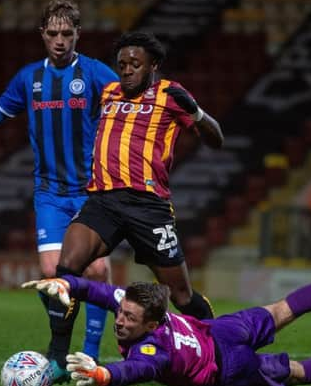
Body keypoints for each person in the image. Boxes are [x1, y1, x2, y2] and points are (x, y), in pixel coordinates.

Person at [0, 0, 118, 381]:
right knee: (49, 273)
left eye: (67, 34)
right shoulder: (29, 79)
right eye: (53, 33)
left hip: (91, 191)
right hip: (50, 192)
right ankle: (60, 350)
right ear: (42, 34)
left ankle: (87, 355)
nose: (60, 40)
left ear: (78, 35)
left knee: (98, 267)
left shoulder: (95, 73)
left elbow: (127, 103)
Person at [23, 252, 311, 386]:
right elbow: (95, 291)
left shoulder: (153, 349)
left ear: (154, 322)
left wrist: (103, 375)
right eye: (121, 313)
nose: (119, 321)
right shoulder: (144, 308)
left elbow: (136, 370)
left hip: (229, 368)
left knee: (296, 372)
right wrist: (65, 282)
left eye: (129, 318)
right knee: (285, 307)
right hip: (222, 331)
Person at [53, 31, 224, 331]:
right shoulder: (109, 94)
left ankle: (220, 343)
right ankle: (57, 356)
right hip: (103, 201)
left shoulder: (171, 94)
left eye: (135, 64)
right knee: (66, 271)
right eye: (122, 64)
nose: (128, 70)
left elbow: (216, 140)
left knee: (182, 297)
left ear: (153, 65)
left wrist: (195, 112)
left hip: (148, 206)